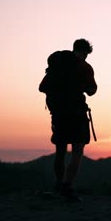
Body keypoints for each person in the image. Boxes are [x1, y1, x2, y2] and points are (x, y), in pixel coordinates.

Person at [39, 39, 97, 201]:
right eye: (86, 54)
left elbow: (42, 87)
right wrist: (81, 87)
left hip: (58, 115)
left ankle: (58, 184)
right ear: (84, 52)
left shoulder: (57, 65)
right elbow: (92, 91)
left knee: (61, 151)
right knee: (77, 150)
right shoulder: (84, 67)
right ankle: (67, 186)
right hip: (77, 114)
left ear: (73, 49)